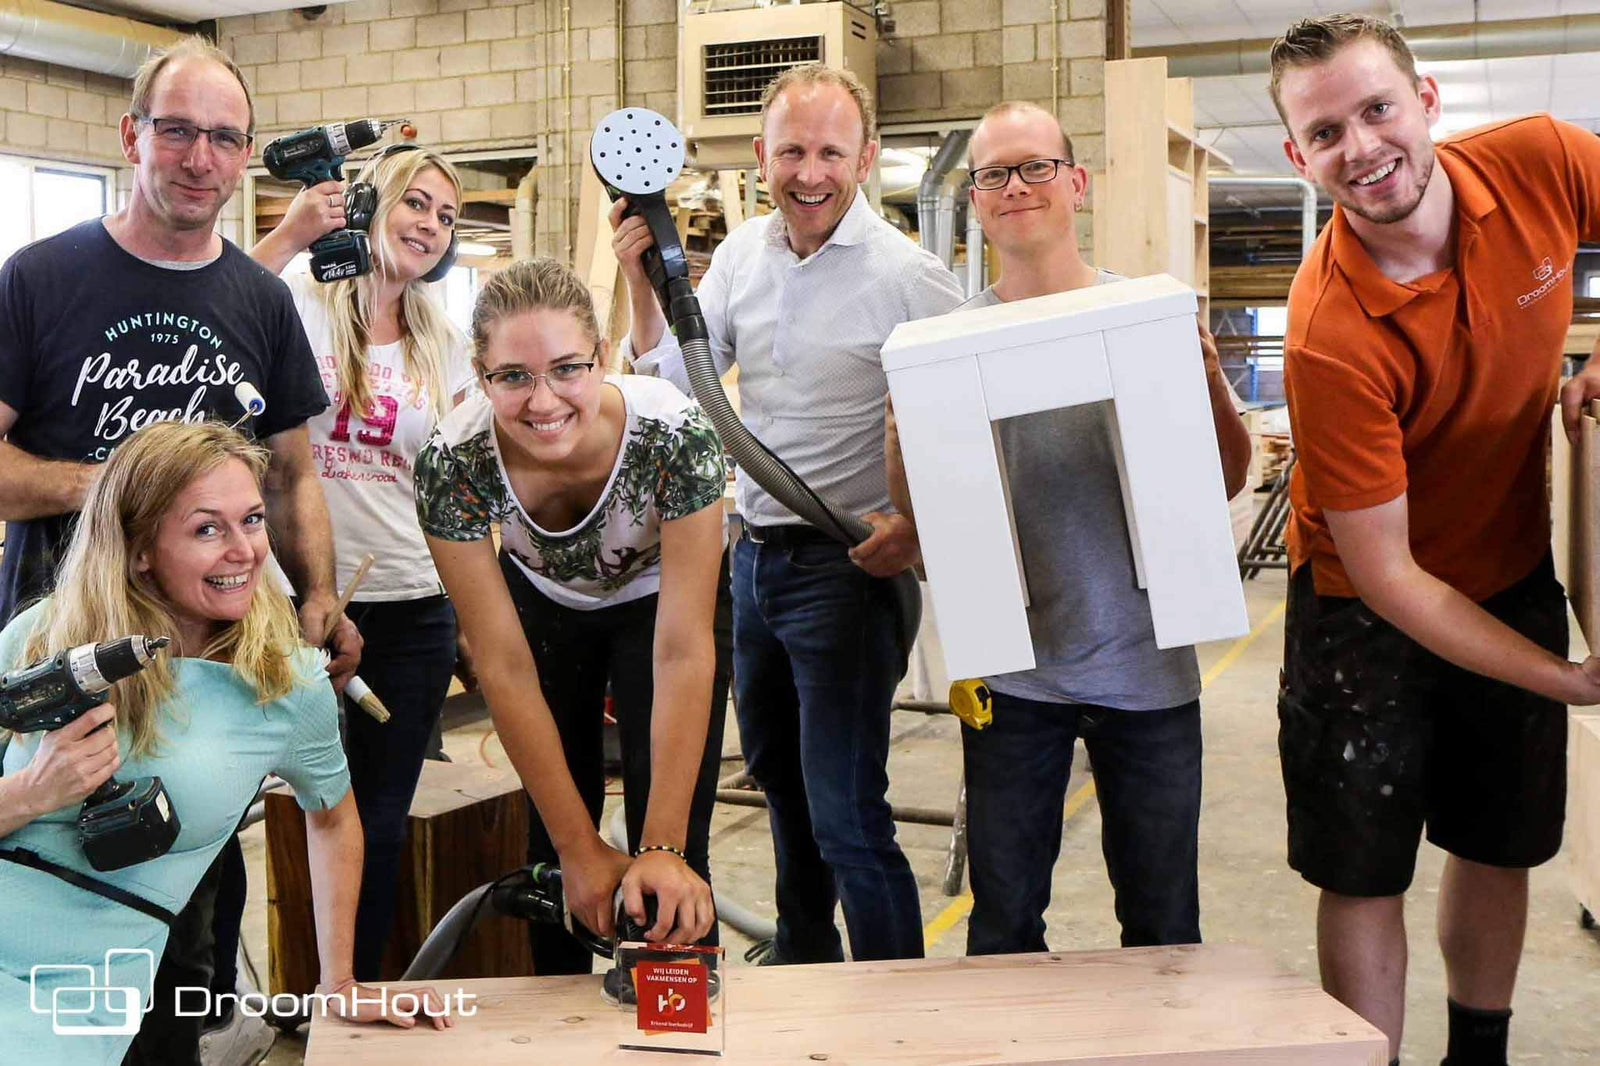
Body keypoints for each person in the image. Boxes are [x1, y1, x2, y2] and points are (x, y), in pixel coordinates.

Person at [0, 36, 361, 1065]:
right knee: (49, 864)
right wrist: (131, 500)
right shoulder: (38, 278)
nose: (199, 157)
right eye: (177, 131)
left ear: (246, 156)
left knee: (191, 914)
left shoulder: (258, 298)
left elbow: (291, 476)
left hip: (212, 657)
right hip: (61, 646)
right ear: (132, 137)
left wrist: (320, 593)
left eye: (223, 137)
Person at [1268, 15, 1600, 1066]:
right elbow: (1391, 577)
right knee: (1363, 863)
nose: (1361, 147)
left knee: (1496, 840)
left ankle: (1478, 1051)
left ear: (1425, 102)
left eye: (1376, 109)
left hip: (1506, 560)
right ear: (1298, 156)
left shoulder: (1542, 160)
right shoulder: (1328, 331)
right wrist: (1566, 680)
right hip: (1361, 606)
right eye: (1326, 132)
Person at [610, 64, 963, 965]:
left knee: (847, 811)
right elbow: (678, 392)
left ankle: (895, 997)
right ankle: (807, 951)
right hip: (754, 563)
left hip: (848, 573)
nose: (811, 173)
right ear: (763, 155)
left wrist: (918, 530)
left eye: (831, 152)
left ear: (869, 158)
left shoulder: (911, 280)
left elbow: (963, 425)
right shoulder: (738, 258)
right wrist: (646, 285)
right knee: (778, 783)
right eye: (792, 151)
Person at [885, 101, 1251, 956]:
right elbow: (926, 528)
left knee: (1164, 926)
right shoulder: (948, 346)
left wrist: (1206, 387)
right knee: (1004, 925)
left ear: (1076, 184)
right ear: (974, 200)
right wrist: (901, 443)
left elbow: (1226, 480)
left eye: (1034, 167)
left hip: (1147, 670)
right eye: (993, 174)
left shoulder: (1148, 318)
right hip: (1015, 681)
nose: (1015, 187)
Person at [0, 420, 453, 1065]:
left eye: (253, 520)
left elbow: (333, 820)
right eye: (207, 528)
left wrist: (340, 983)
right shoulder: (44, 635)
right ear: (139, 550)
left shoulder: (285, 686)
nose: (244, 550)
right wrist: (30, 792)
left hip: (83, 987)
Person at [414, 258, 728, 981]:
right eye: (513, 377)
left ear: (601, 357)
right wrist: (580, 851)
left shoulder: (675, 434)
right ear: (482, 377)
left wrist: (664, 849)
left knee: (675, 840)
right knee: (557, 852)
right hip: (545, 603)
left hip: (656, 602)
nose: (544, 400)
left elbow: (683, 649)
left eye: (566, 369)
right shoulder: (453, 462)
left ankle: (674, 1009)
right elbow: (503, 664)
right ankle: (555, 1019)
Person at [250, 143, 475, 984]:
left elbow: (456, 486)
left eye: (446, 217)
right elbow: (217, 291)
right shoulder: (293, 305)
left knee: (377, 820)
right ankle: (302, 991)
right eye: (417, 203)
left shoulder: (442, 341)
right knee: (304, 805)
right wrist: (290, 231)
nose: (430, 225)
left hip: (410, 606)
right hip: (293, 606)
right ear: (373, 202)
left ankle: (354, 1001)